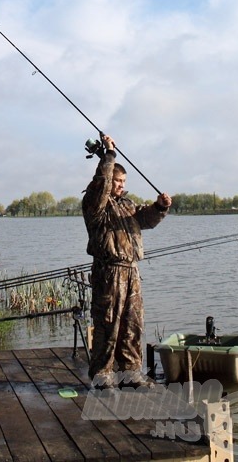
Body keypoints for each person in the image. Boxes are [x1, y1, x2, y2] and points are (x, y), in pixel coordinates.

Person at [82, 133, 172, 388]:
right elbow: (100, 183)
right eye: (117, 181)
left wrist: (160, 207)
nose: (120, 186)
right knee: (107, 324)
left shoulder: (127, 205)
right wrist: (109, 155)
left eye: (123, 182)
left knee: (132, 324)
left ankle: (130, 373)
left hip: (131, 272)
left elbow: (146, 220)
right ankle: (102, 376)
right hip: (108, 272)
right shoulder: (95, 204)